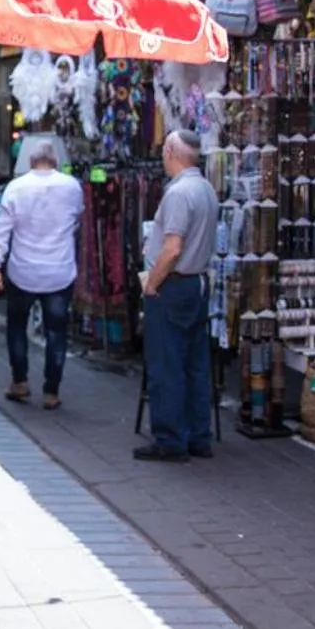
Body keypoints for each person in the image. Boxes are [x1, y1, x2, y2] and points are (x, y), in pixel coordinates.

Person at [139, 129, 219, 461]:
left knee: (167, 364)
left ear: (172, 151)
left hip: (174, 284)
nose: (161, 156)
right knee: (195, 364)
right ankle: (199, 436)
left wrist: (152, 283)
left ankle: (170, 439)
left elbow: (172, 249)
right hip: (197, 283)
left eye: (163, 150)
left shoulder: (179, 193)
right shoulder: (206, 189)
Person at [0, 142, 84, 410]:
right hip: (59, 270)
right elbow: (77, 219)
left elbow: (1, 230)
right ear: (54, 161)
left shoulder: (15, 188)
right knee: (57, 331)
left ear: (30, 161)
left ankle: (20, 382)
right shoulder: (72, 187)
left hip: (23, 270)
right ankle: (51, 391)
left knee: (17, 326)